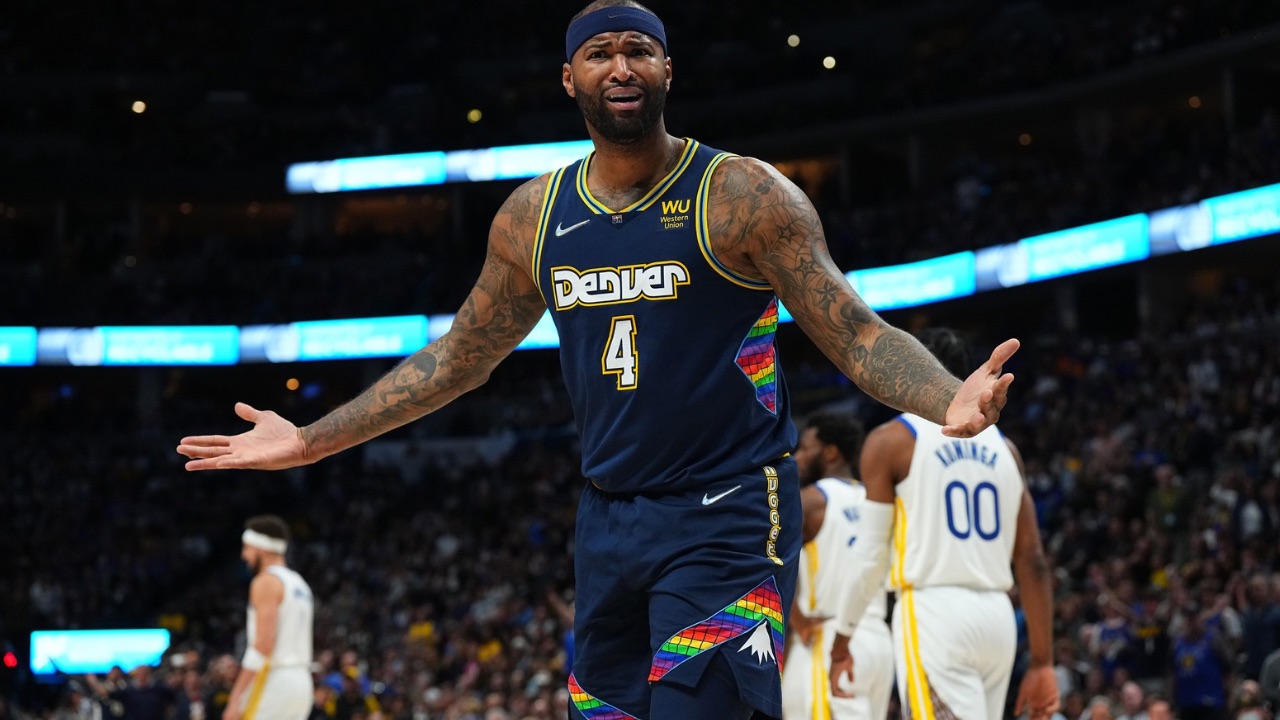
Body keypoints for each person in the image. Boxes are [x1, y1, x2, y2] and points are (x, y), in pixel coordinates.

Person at [176, 3, 1019, 716]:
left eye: (639, 51)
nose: (621, 66)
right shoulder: (534, 217)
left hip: (727, 513)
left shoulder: (743, 195)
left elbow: (857, 331)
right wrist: (313, 439)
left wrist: (945, 395)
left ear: (666, 71)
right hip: (608, 521)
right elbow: (460, 358)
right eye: (601, 53)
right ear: (570, 78)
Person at [828, 328, 1056, 720]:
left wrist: (842, 639)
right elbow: (1032, 559)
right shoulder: (1007, 449)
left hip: (933, 613)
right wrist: (1042, 661)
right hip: (997, 619)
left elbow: (869, 556)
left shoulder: (891, 440)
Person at [781, 412, 893, 720]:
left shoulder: (811, 500)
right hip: (879, 641)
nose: (798, 457)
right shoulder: (879, 499)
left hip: (828, 635)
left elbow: (766, 560)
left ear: (830, 452)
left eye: (805, 448)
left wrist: (798, 621)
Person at [224, 515, 315, 720]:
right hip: (302, 681)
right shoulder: (299, 583)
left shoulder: (266, 581)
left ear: (262, 548)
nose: (243, 555)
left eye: (247, 548)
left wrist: (235, 698)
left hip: (275, 680)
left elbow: (263, 645)